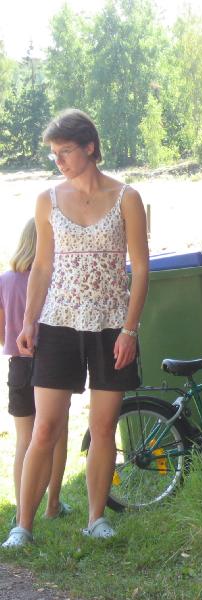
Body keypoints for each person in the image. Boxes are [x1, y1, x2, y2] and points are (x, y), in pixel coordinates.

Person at [2, 108, 149, 548]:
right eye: (54, 154)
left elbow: (141, 269)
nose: (59, 161)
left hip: (110, 326)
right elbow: (42, 266)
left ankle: (96, 518)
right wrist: (28, 322)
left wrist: (130, 330)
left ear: (90, 147)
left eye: (65, 151)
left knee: (103, 428)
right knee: (45, 428)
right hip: (58, 324)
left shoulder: (126, 197)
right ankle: (22, 527)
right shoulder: (47, 199)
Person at [1, 219, 71, 526]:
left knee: (24, 440)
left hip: (18, 364)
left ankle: (22, 512)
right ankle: (52, 504)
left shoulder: (5, 280)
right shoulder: (54, 278)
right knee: (58, 434)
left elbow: (2, 332)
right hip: (51, 364)